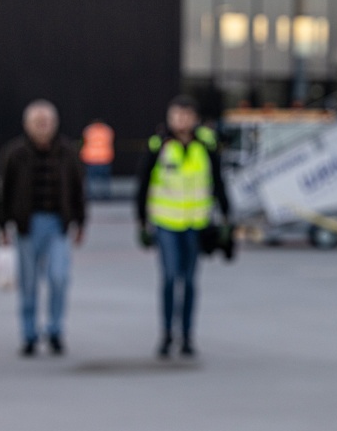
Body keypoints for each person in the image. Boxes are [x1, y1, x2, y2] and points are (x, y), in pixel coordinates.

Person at [136, 95, 230, 358]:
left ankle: (187, 335)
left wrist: (226, 216)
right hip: (166, 222)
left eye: (186, 116)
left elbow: (218, 182)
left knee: (189, 281)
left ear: (195, 118)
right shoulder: (159, 146)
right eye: (177, 115)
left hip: (195, 222)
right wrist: (141, 220)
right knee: (169, 278)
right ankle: (166, 333)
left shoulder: (206, 145)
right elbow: (143, 184)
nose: (182, 121)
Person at [0, 100, 86, 356]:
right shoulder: (15, 153)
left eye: (46, 122)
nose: (42, 127)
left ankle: (56, 329)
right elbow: (4, 190)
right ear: (27, 125)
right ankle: (28, 333)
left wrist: (80, 221)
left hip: (58, 223)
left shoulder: (67, 151)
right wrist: (2, 224)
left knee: (59, 277)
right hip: (27, 224)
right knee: (28, 282)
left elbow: (78, 188)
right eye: (37, 122)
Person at [80, 118, 114, 200]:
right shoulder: (107, 130)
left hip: (91, 158)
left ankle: (90, 195)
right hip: (104, 158)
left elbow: (84, 142)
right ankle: (105, 195)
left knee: (91, 179)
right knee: (104, 179)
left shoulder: (88, 130)